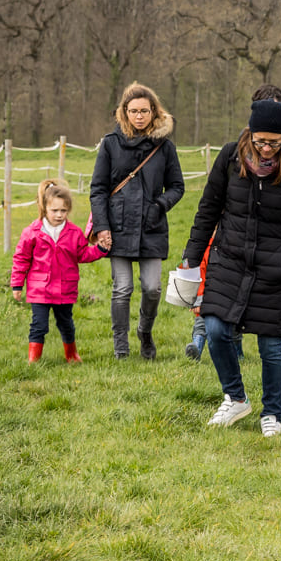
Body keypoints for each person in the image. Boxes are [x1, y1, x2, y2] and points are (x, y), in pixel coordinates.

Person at [182, 101, 281, 436]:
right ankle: (235, 397)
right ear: (250, 134)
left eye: (275, 142)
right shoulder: (230, 157)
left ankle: (272, 413)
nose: (267, 149)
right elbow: (208, 208)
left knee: (271, 346)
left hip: (276, 266)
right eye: (261, 142)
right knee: (215, 328)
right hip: (228, 259)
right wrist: (191, 257)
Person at [89, 82, 185, 360]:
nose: (139, 116)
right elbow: (98, 189)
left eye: (144, 111)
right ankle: (121, 347)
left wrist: (160, 206)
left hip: (151, 225)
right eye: (133, 111)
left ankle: (145, 332)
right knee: (122, 289)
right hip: (117, 225)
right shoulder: (110, 143)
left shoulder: (165, 147)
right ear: (124, 112)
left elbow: (177, 186)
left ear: (154, 111)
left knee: (152, 288)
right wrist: (102, 227)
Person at [11, 178, 105, 363]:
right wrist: (17, 285)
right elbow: (21, 259)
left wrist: (100, 250)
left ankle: (72, 354)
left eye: (63, 210)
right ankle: (33, 360)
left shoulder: (75, 232)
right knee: (39, 325)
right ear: (44, 208)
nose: (59, 215)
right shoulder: (31, 232)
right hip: (40, 290)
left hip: (65, 289)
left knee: (66, 324)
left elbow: (83, 254)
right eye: (54, 210)